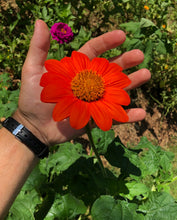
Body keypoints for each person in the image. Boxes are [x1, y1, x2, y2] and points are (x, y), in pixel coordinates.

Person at [0, 19, 151, 218]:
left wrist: (29, 127)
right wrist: (30, 125)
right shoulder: (66, 83)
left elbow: (119, 94)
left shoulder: (98, 85)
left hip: (95, 97)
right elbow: (55, 78)